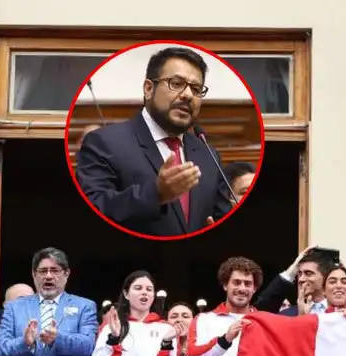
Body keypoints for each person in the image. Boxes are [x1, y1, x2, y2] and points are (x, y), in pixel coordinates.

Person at [75, 46, 234, 237]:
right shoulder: (105, 143)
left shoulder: (208, 154)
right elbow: (96, 208)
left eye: (196, 89)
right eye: (176, 83)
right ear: (149, 89)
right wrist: (155, 194)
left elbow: (220, 216)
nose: (188, 95)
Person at [0, 248, 98, 356]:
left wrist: (58, 339)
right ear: (34, 275)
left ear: (66, 274)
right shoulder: (14, 307)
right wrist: (25, 342)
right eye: (43, 271)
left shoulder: (85, 306)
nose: (48, 276)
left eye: (54, 270)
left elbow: (89, 347)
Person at [92, 271, 178, 356]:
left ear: (153, 296)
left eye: (149, 289)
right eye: (138, 288)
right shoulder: (112, 327)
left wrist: (166, 343)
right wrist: (114, 338)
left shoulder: (166, 330)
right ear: (126, 294)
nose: (144, 292)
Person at [187, 256, 261, 356]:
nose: (242, 288)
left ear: (254, 288)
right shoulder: (204, 319)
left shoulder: (263, 322)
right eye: (237, 282)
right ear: (226, 285)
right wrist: (224, 340)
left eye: (247, 284)